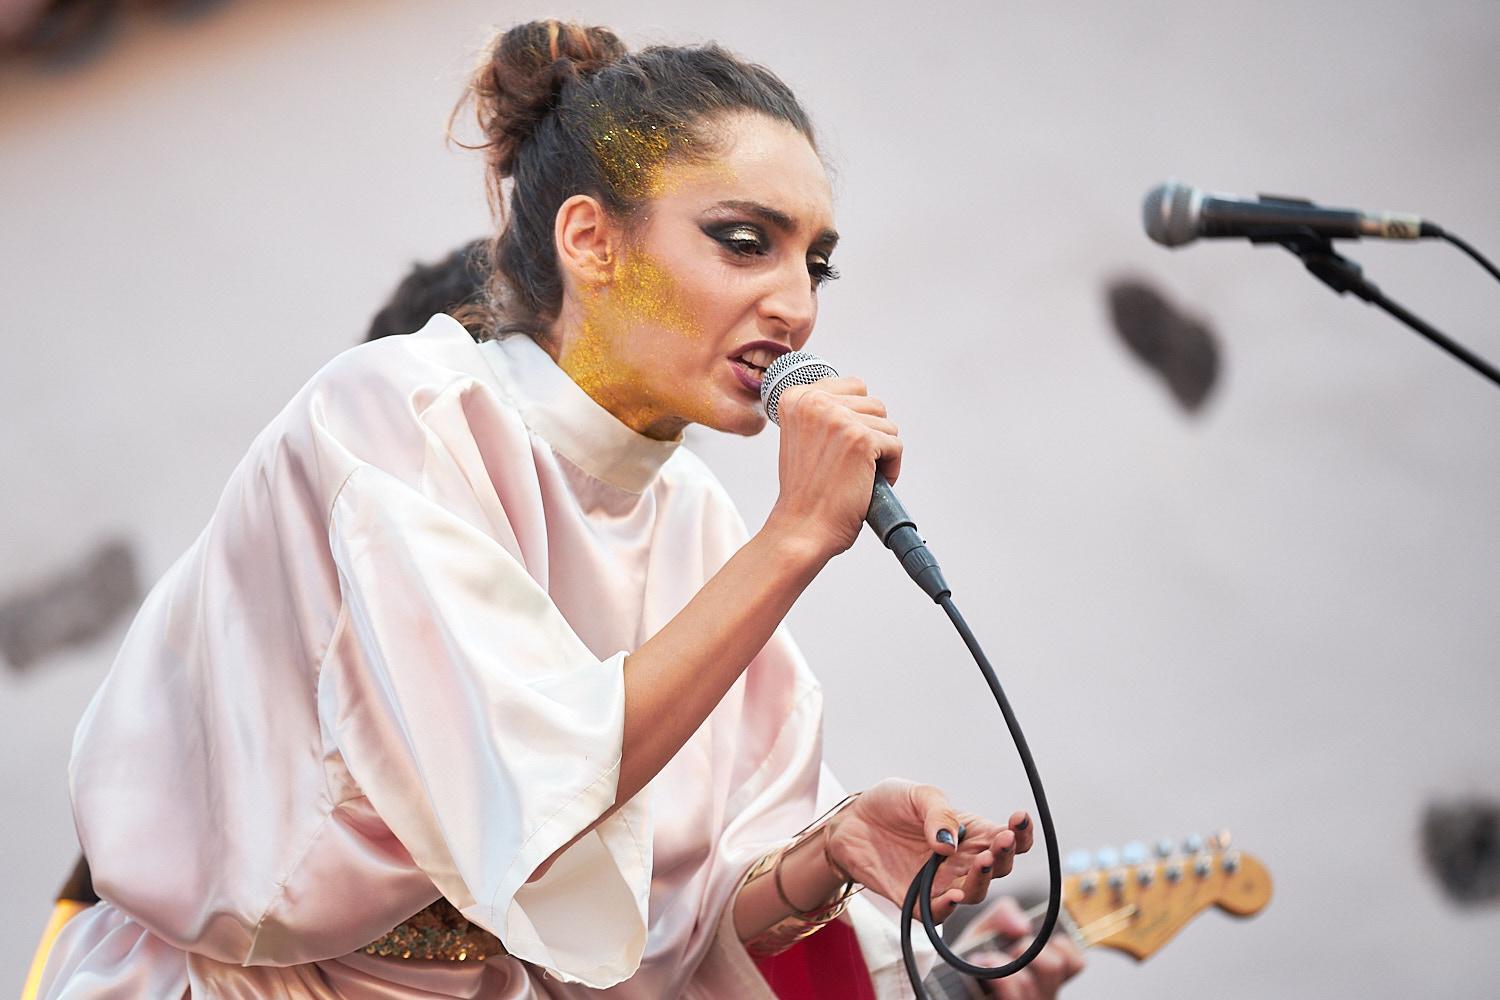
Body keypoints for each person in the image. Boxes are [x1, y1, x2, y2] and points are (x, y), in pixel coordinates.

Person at [37, 20, 1081, 999]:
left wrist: (825, 856)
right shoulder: (397, 415)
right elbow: (529, 789)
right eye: (743, 240)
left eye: (816, 260)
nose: (798, 304)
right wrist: (798, 537)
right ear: (591, 239)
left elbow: (662, 936)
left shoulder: (695, 521)